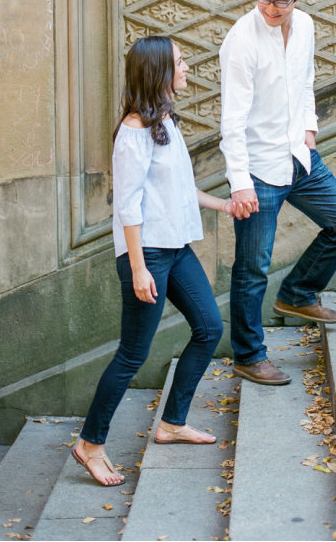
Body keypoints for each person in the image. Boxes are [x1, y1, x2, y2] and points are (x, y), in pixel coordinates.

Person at [72, 36, 234, 486]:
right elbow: (127, 206)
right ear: (160, 72)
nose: (188, 69)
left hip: (175, 248)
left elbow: (179, 191)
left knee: (208, 328)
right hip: (149, 256)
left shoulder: (164, 121)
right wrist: (140, 267)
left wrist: (224, 206)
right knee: (132, 354)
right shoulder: (133, 133)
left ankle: (172, 422)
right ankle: (90, 443)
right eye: (181, 63)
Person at [219, 0, 336, 386]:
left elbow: (304, 80)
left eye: (279, 2)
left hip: (299, 157)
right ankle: (248, 355)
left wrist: (309, 129)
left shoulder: (305, 26)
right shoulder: (241, 41)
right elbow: (232, 119)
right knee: (251, 269)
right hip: (259, 169)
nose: (269, 9)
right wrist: (240, 183)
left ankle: (298, 293)